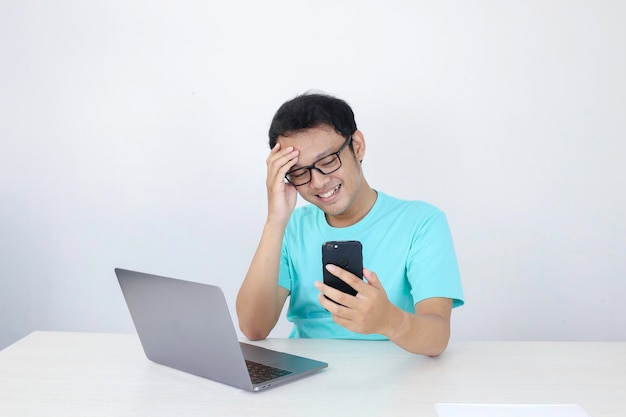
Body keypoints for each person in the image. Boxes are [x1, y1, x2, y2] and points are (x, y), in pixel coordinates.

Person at [236, 92, 464, 356]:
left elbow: (437, 338)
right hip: (306, 379)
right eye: (299, 172)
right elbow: (253, 328)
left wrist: (390, 320)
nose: (318, 182)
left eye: (328, 161)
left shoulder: (422, 222)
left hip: (397, 378)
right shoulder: (291, 226)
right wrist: (275, 220)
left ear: (357, 146)